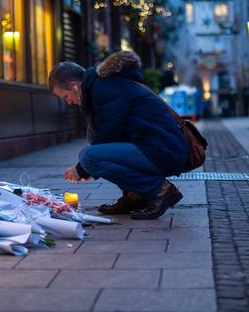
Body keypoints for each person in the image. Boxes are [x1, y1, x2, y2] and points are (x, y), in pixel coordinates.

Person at [48, 51, 188, 220]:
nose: (68, 102)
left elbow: (109, 137)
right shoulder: (100, 87)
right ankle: (135, 196)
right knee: (89, 156)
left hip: (164, 150)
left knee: (89, 157)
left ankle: (160, 190)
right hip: (154, 147)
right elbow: (111, 139)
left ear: (74, 85)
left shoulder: (104, 88)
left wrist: (81, 170)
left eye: (65, 96)